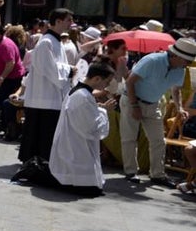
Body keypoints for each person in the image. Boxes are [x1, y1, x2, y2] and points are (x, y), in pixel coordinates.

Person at [120, 37, 196, 185]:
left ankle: (157, 174)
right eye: (187, 60)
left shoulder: (180, 68)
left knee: (158, 141)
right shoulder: (152, 61)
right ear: (176, 56)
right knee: (129, 138)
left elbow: (176, 90)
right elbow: (130, 82)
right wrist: (135, 106)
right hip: (132, 100)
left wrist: (180, 107)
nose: (188, 64)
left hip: (153, 103)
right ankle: (130, 172)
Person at [50, 59, 117, 197]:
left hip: (72, 141)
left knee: (93, 189)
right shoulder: (83, 96)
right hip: (76, 147)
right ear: (97, 78)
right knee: (89, 189)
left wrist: (101, 108)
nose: (107, 86)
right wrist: (106, 112)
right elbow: (90, 127)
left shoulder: (80, 92)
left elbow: (85, 115)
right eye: (107, 82)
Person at [18, 8, 75, 163]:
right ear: (57, 21)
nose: (71, 23)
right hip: (43, 98)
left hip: (50, 97)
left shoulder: (57, 41)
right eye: (68, 20)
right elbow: (49, 70)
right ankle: (34, 162)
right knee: (40, 132)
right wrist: (70, 69)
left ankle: (42, 161)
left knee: (45, 133)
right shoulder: (46, 42)